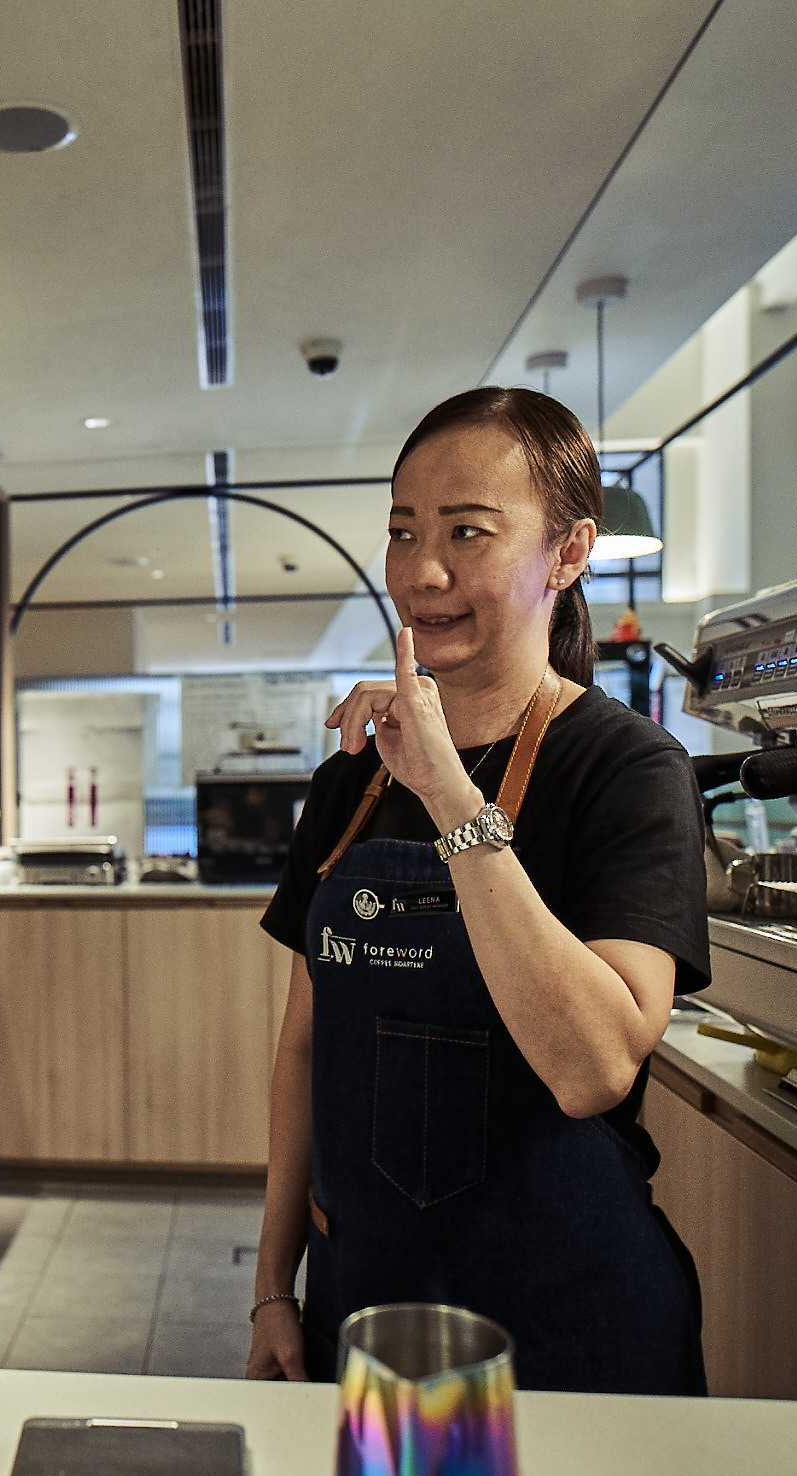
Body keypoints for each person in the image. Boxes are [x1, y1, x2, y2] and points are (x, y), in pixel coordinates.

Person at [245, 387, 708, 1393]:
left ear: (570, 553)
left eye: (467, 532)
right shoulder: (348, 786)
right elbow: (300, 1050)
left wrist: (449, 790)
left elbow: (592, 1067)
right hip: (365, 1298)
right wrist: (275, 1285)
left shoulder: (627, 771)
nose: (424, 572)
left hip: (563, 1315)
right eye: (404, 532)